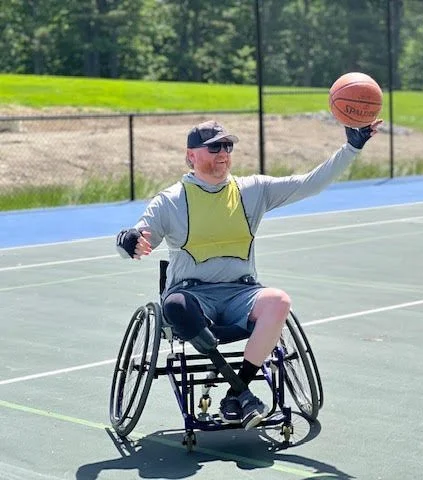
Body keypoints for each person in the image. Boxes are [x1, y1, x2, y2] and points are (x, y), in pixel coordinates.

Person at [116, 118, 382, 430]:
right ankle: (244, 396)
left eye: (227, 146)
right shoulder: (170, 200)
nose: (223, 153)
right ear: (191, 156)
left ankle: (235, 391)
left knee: (279, 302)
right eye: (214, 147)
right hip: (192, 296)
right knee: (173, 307)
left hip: (242, 293)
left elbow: (310, 183)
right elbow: (136, 238)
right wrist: (128, 241)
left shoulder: (252, 190)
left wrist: (352, 148)